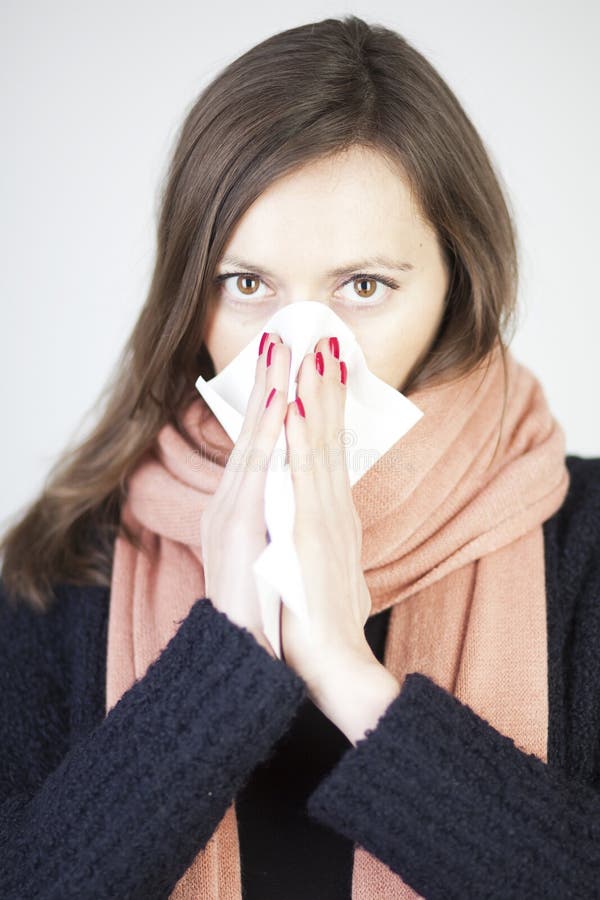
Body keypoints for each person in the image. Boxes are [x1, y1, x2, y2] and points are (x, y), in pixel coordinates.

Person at [1, 14, 599, 900]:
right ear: (191, 298)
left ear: (455, 286)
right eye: (248, 285)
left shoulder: (584, 542)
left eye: (365, 287)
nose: (300, 347)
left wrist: (353, 682)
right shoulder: (62, 570)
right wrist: (225, 660)